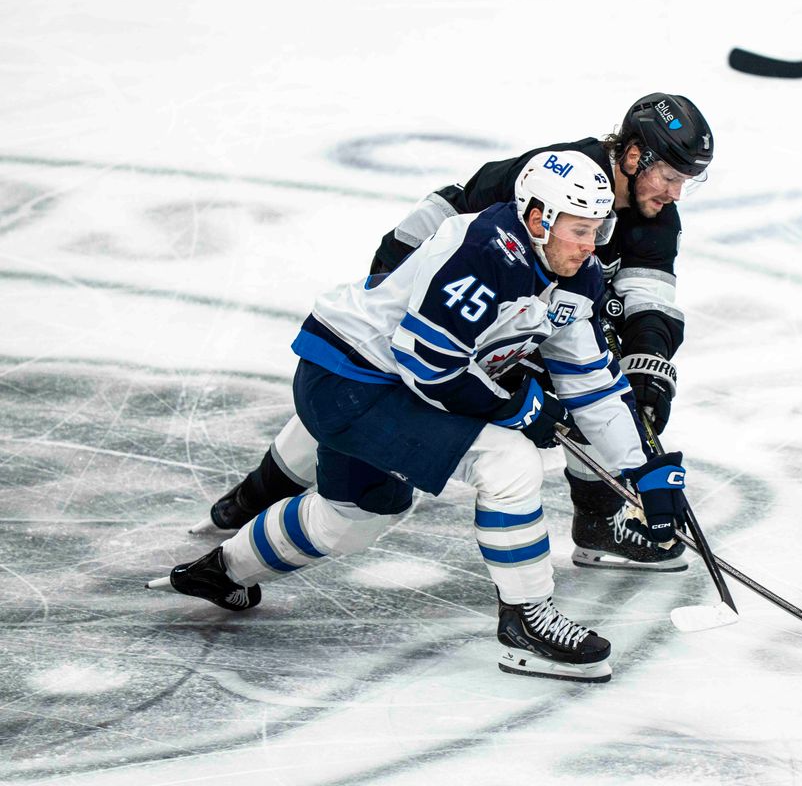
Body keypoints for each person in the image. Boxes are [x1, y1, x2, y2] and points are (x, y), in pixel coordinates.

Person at [149, 151, 693, 683]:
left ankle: (220, 572)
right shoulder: (483, 250)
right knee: (509, 462)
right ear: (537, 219)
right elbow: (428, 365)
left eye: (598, 229)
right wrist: (516, 406)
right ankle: (526, 621)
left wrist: (640, 470)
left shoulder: (576, 273)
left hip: (378, 385)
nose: (592, 246)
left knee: (356, 516)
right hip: (350, 383)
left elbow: (591, 381)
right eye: (579, 230)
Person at [203, 93, 713, 573]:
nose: (675, 193)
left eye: (686, 181)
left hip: (519, 314)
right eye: (670, 176)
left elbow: (647, 296)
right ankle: (256, 494)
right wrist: (399, 285)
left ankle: (600, 521)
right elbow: (450, 217)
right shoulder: (557, 175)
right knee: (373, 385)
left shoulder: (655, 214)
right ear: (633, 157)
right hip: (444, 299)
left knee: (600, 391)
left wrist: (646, 362)